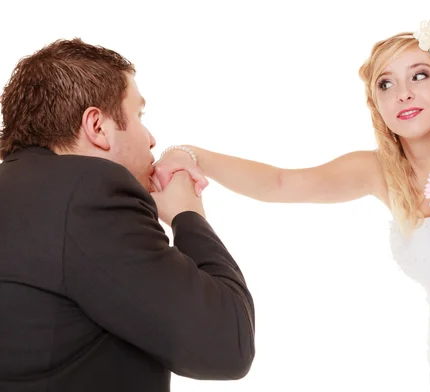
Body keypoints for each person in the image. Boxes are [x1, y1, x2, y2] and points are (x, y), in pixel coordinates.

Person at [154, 20, 430, 391]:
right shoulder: (377, 173)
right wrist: (194, 155)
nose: (403, 93)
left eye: (419, 75)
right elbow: (282, 182)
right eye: (387, 84)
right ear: (378, 106)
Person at [0, 38, 255, 392]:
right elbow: (228, 345)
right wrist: (188, 215)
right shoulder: (89, 191)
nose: (150, 138)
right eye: (139, 115)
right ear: (98, 127)